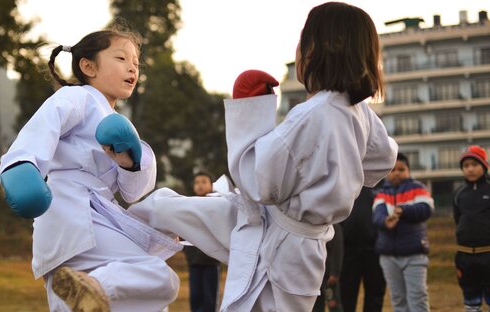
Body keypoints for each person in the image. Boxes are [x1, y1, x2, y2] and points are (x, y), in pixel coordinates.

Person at [129, 2, 398, 311]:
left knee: (168, 209)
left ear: (322, 48)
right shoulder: (358, 112)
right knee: (167, 207)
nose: (298, 50)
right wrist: (336, 171)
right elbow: (382, 161)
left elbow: (258, 183)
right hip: (295, 234)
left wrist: (250, 114)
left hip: (284, 239)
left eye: (303, 40)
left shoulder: (312, 114)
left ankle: (107, 255)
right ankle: (108, 257)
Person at [0, 26, 181, 312]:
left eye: (136, 63)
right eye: (121, 59)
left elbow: (133, 193)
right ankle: (96, 285)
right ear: (88, 66)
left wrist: (130, 164)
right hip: (73, 210)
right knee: (159, 278)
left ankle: (91, 287)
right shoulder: (77, 97)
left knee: (94, 303)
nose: (132, 68)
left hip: (94, 217)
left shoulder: (121, 123)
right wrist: (21, 167)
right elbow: (43, 128)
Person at [372, 153, 433, 312]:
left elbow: (426, 210)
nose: (397, 173)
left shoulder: (418, 188)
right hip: (388, 256)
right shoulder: (381, 194)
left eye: (401, 169)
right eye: (393, 170)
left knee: (418, 296)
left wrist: (403, 210)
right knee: (397, 299)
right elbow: (377, 216)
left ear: (408, 170)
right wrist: (386, 222)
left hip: (414, 253)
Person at [453, 145, 490, 312]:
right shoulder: (459, 193)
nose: (470, 169)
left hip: (488, 253)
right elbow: (457, 220)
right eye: (466, 166)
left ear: (484, 166)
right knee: (471, 301)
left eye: (474, 164)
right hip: (465, 256)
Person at [339, 186, 386, 312]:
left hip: (374, 250)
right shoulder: (345, 184)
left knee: (375, 293)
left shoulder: (381, 185)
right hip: (347, 250)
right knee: (346, 294)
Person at [184, 172, 221, 312]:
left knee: (209, 299)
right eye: (197, 182)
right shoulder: (189, 205)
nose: (200, 185)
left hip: (211, 261)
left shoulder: (216, 205)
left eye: (203, 182)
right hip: (194, 261)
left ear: (212, 186)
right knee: (195, 297)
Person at [312, 223, 343, 312]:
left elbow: (337, 251)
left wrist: (335, 273)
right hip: (315, 275)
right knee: (316, 306)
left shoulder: (334, 226)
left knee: (334, 305)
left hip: (329, 277)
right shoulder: (313, 226)